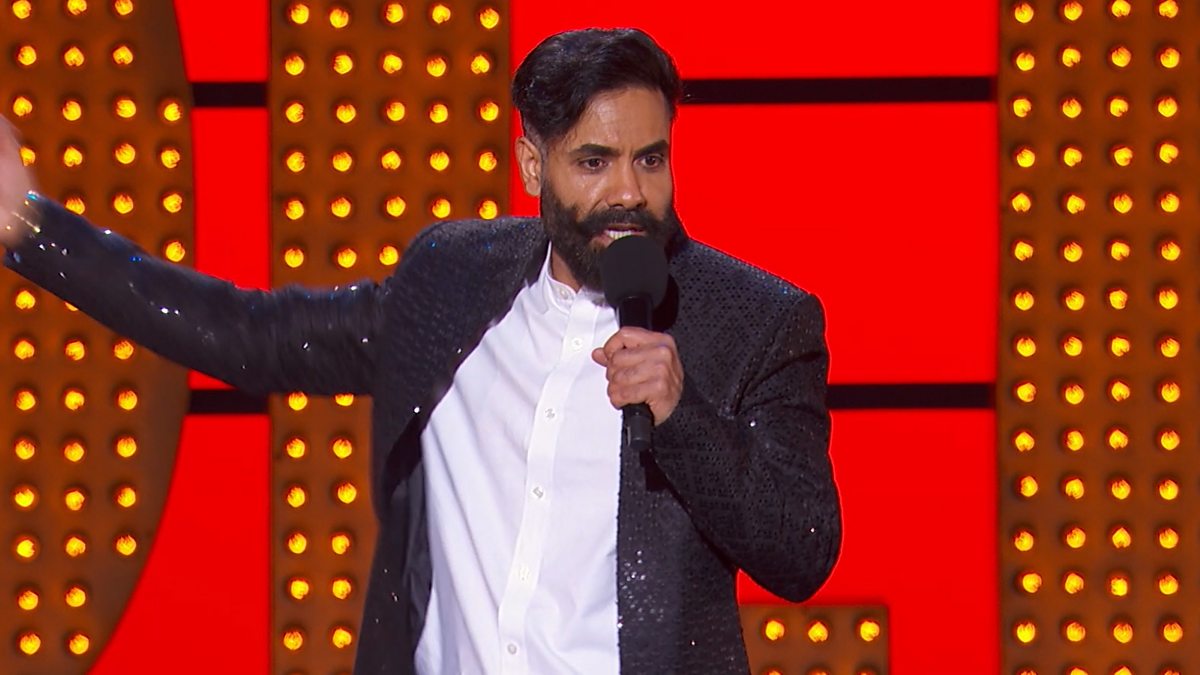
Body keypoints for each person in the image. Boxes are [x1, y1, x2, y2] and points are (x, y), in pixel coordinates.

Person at [1, 28, 840, 675]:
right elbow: (252, 335)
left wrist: (682, 414)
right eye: (595, 162)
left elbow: (802, 549)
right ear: (532, 164)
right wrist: (32, 232)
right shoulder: (453, 284)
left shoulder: (754, 322)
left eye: (650, 160)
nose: (629, 191)